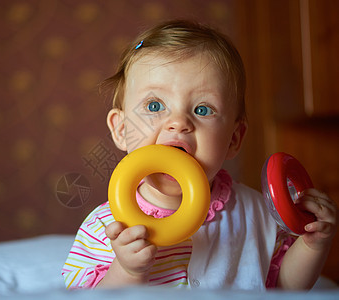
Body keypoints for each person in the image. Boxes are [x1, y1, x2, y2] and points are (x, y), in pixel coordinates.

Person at [61, 20, 337, 290]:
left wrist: (312, 245)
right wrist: (127, 270)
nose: (178, 122)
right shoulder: (106, 226)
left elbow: (281, 286)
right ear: (121, 130)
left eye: (203, 109)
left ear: (233, 138)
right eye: (155, 105)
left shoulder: (256, 213)